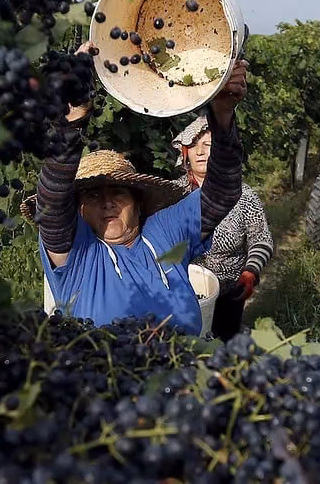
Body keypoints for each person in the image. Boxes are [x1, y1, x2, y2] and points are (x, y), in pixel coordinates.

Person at [23, 54, 249, 335]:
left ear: (138, 203)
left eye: (118, 192)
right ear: (78, 211)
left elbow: (222, 193)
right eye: (92, 197)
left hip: (180, 372)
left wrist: (222, 115)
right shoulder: (79, 256)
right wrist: (70, 125)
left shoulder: (164, 233)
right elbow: (53, 202)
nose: (107, 202)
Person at [171, 114, 273, 341]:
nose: (200, 152)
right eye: (193, 146)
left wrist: (250, 272)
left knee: (222, 350)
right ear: (184, 154)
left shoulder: (242, 195)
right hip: (182, 292)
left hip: (229, 293)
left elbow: (261, 239)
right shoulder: (171, 195)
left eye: (208, 145)